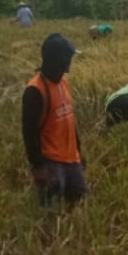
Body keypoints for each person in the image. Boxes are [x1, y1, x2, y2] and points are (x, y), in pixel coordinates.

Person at [21, 34, 88, 207]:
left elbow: (69, 120)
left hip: (71, 160)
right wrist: (38, 166)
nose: (70, 63)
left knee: (80, 204)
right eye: (68, 58)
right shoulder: (35, 91)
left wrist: (78, 151)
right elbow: (29, 132)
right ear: (58, 61)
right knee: (52, 210)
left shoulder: (63, 82)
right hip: (51, 164)